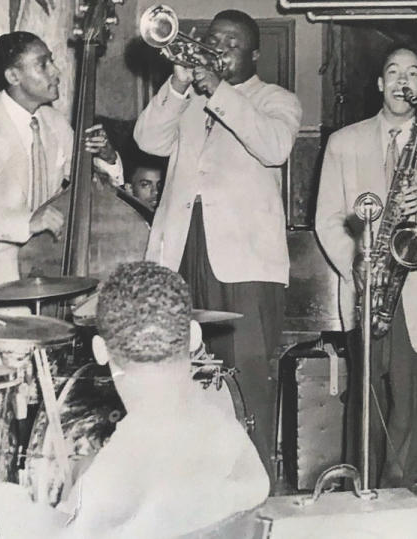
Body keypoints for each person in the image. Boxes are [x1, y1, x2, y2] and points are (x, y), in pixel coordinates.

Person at [132, 9, 302, 484]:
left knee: (248, 374)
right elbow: (147, 139)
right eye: (212, 39)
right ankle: (191, 482)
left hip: (246, 260)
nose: (218, 48)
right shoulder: (185, 99)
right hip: (182, 247)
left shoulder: (276, 100)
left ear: (253, 54)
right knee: (180, 368)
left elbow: (274, 147)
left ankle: (255, 484)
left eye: (230, 43)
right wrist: (180, 85)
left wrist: (217, 90)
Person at [0, 262, 269, 538]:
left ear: (100, 351)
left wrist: (4, 505)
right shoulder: (231, 437)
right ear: (194, 336)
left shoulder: (115, 472)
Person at [314, 43, 417, 487]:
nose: (403, 80)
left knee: (410, 399)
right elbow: (326, 218)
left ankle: (403, 496)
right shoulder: (343, 143)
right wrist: (357, 265)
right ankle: (360, 487)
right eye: (394, 72)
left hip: (414, 288)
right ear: (380, 84)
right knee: (365, 399)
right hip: (364, 285)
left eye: (413, 73)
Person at [0, 31, 124, 296]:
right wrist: (24, 223)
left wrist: (107, 158)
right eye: (43, 64)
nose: (56, 72)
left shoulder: (55, 124)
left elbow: (92, 189)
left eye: (52, 62)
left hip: (52, 268)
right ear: (13, 77)